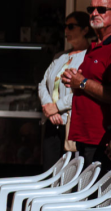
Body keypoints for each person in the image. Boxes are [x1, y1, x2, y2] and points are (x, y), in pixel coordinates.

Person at [63, 0, 111, 165]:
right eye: (91, 9)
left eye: (102, 10)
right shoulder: (95, 45)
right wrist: (73, 80)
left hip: (102, 140)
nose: (94, 13)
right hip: (85, 137)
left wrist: (82, 83)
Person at [39, 12, 92, 168]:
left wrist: (57, 107)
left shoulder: (89, 57)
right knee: (49, 169)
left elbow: (83, 90)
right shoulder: (60, 56)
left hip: (71, 123)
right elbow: (43, 84)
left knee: (70, 171)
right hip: (51, 121)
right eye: (65, 26)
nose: (66, 31)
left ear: (85, 30)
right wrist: (49, 107)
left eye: (71, 26)